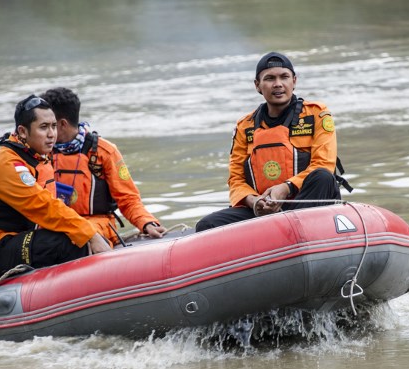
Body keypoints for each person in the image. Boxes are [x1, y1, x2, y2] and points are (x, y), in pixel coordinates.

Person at [195, 52, 351, 232]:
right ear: (257, 85)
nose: (278, 84)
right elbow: (236, 179)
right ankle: (278, 230)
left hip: (306, 201)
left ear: (294, 81)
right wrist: (254, 201)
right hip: (263, 210)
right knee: (207, 225)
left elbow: (324, 164)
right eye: (269, 78)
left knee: (323, 177)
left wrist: (287, 187)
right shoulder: (244, 126)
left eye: (284, 77)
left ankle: (290, 230)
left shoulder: (316, 114)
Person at [0, 95, 111, 280]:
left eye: (54, 126)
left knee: (76, 236)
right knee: (65, 243)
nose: (52, 134)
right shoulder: (7, 163)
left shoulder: (36, 155)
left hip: (17, 237)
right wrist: (90, 234)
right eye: (43, 127)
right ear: (23, 132)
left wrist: (90, 233)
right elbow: (44, 207)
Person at [40, 87, 166, 246]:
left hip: (97, 224)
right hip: (57, 224)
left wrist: (147, 223)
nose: (45, 132)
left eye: (48, 125)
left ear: (62, 124)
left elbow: (128, 199)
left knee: (73, 239)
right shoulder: (40, 151)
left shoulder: (103, 151)